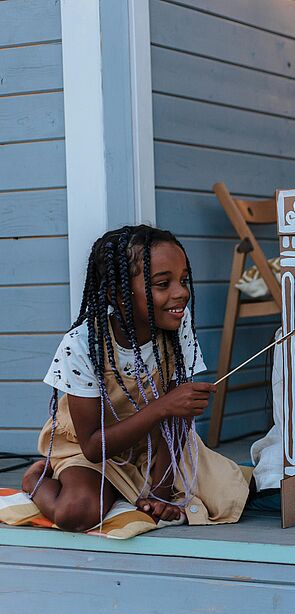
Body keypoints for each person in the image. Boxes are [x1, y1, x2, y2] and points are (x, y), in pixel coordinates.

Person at [21, 225, 248, 532]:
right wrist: (164, 406)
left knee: (229, 495)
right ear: (118, 293)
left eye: (183, 280)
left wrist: (161, 493)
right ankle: (36, 478)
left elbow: (177, 422)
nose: (181, 292)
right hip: (94, 452)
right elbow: (93, 447)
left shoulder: (177, 328)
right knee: (76, 512)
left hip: (154, 445)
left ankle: (129, 490)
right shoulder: (82, 345)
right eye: (163, 283)